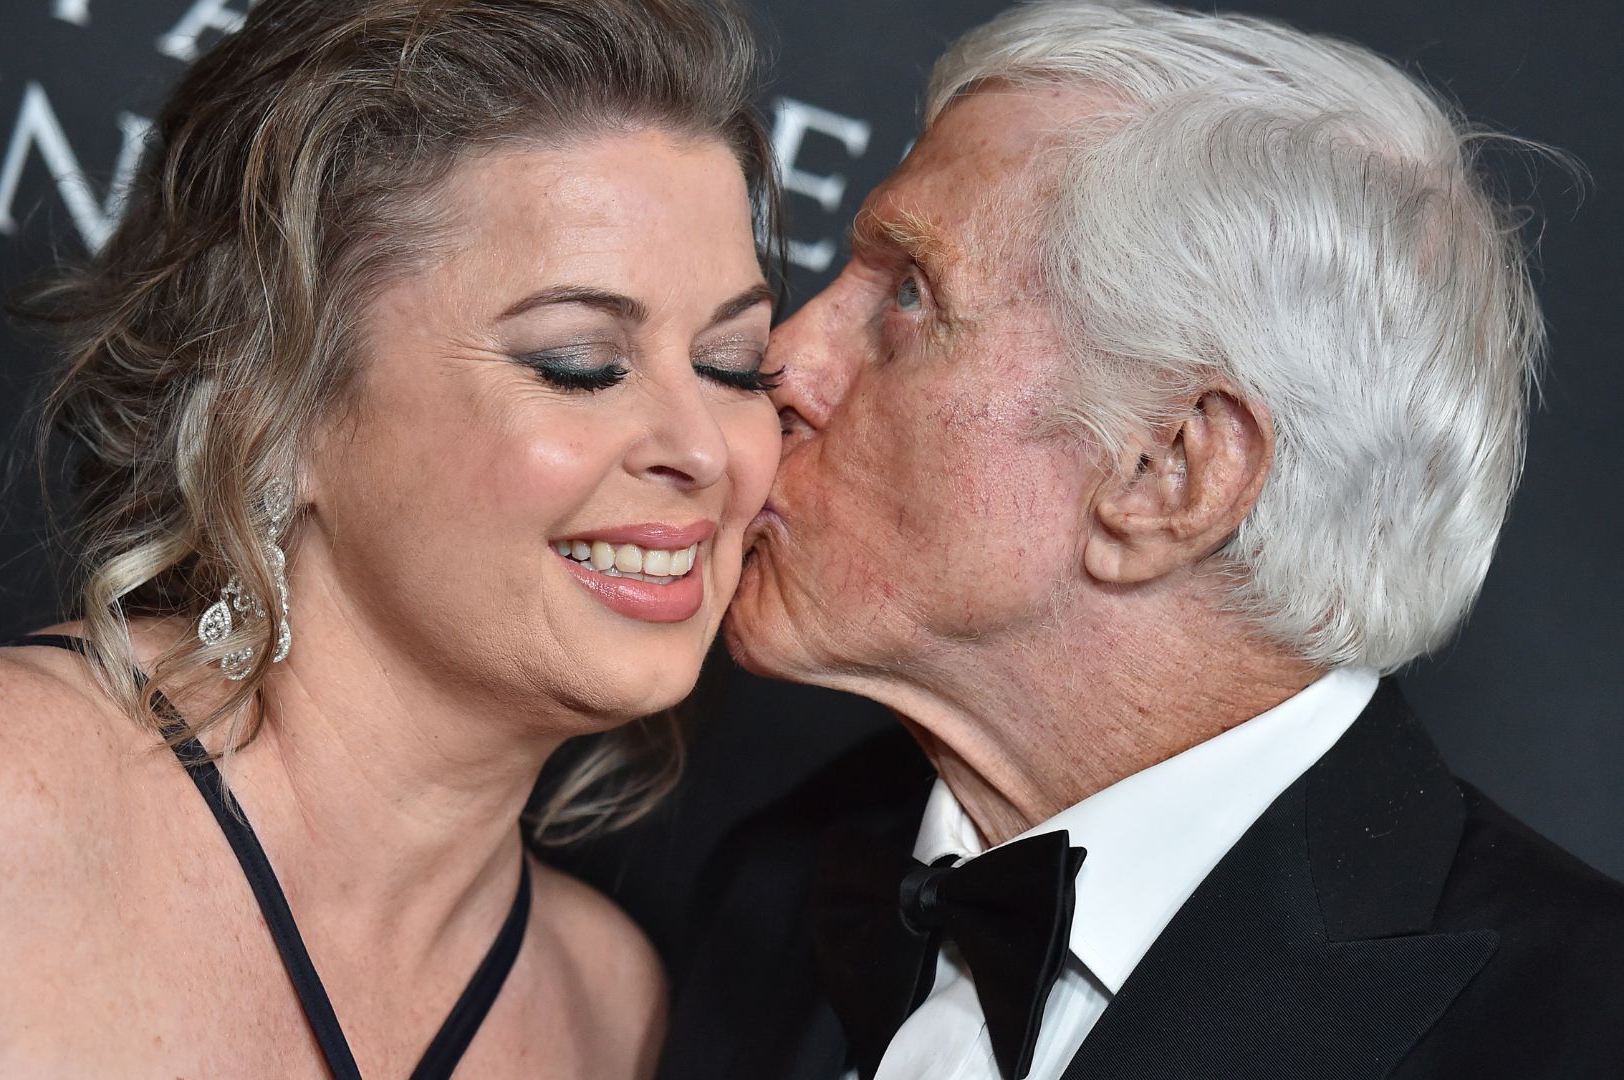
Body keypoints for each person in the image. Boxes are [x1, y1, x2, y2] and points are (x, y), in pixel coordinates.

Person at [0, 1, 784, 1077]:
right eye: (580, 364)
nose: (706, 446)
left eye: (732, 365)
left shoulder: (608, 1008)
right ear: (275, 411)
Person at [659, 2, 1624, 1079]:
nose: (785, 361)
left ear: (1169, 471)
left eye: (911, 295)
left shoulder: (1577, 1033)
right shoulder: (781, 878)